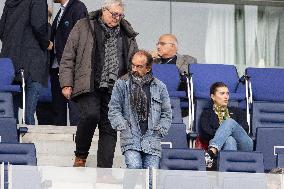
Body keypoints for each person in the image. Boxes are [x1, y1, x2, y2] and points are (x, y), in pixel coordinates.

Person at [59, 0, 138, 167]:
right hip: (89, 83)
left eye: (120, 15)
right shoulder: (84, 25)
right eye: (114, 14)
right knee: (90, 115)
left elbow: (134, 61)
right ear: (104, 10)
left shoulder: (126, 31)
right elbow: (68, 56)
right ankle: (80, 155)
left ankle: (105, 171)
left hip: (116, 88)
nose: (117, 18)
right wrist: (66, 83)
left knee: (109, 128)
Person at [108, 50, 172, 188]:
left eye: (139, 66)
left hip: (152, 138)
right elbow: (114, 109)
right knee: (134, 167)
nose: (134, 69)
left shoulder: (160, 87)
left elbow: (167, 113)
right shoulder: (121, 84)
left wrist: (161, 129)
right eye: (133, 65)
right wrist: (123, 125)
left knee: (151, 178)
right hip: (131, 136)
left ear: (148, 68)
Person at [0, 0, 53, 124]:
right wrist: (47, 43)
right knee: (29, 113)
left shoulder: (10, 2)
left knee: (10, 109)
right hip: (33, 60)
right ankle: (29, 138)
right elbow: (38, 26)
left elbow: (1, 29)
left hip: (10, 59)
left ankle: (11, 138)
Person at [50, 0, 87, 126]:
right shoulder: (61, 10)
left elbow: (82, 37)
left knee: (74, 106)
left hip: (71, 66)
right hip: (56, 65)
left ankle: (77, 139)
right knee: (57, 107)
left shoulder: (77, 7)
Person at [200, 82, 253, 168]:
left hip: (244, 144)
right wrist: (225, 134)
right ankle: (230, 171)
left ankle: (211, 152)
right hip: (225, 145)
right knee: (229, 139)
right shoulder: (207, 113)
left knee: (229, 122)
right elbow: (205, 132)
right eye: (222, 93)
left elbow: (245, 128)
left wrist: (227, 129)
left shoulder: (237, 111)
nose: (226, 96)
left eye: (227, 93)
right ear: (213, 96)